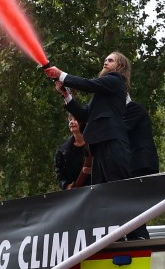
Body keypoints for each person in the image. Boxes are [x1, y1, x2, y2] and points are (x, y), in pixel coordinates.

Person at [45, 52, 133, 184]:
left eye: (110, 60)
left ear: (120, 66)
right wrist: (65, 94)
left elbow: (88, 85)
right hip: (99, 145)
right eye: (105, 59)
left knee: (117, 186)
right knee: (101, 189)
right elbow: (83, 115)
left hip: (112, 141)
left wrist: (61, 75)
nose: (105, 62)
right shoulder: (102, 93)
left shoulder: (116, 79)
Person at [54, 115, 92, 190]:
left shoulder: (94, 144)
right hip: (75, 195)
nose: (71, 122)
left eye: (75, 119)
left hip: (95, 191)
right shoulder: (62, 150)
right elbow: (59, 172)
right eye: (70, 120)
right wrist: (66, 185)